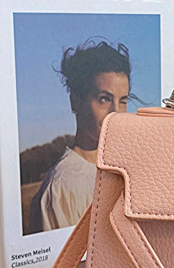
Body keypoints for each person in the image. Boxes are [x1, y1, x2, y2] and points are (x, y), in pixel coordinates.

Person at [29, 39, 132, 232]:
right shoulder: (63, 186)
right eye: (104, 99)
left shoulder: (126, 171)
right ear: (75, 101)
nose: (115, 113)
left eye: (123, 101)